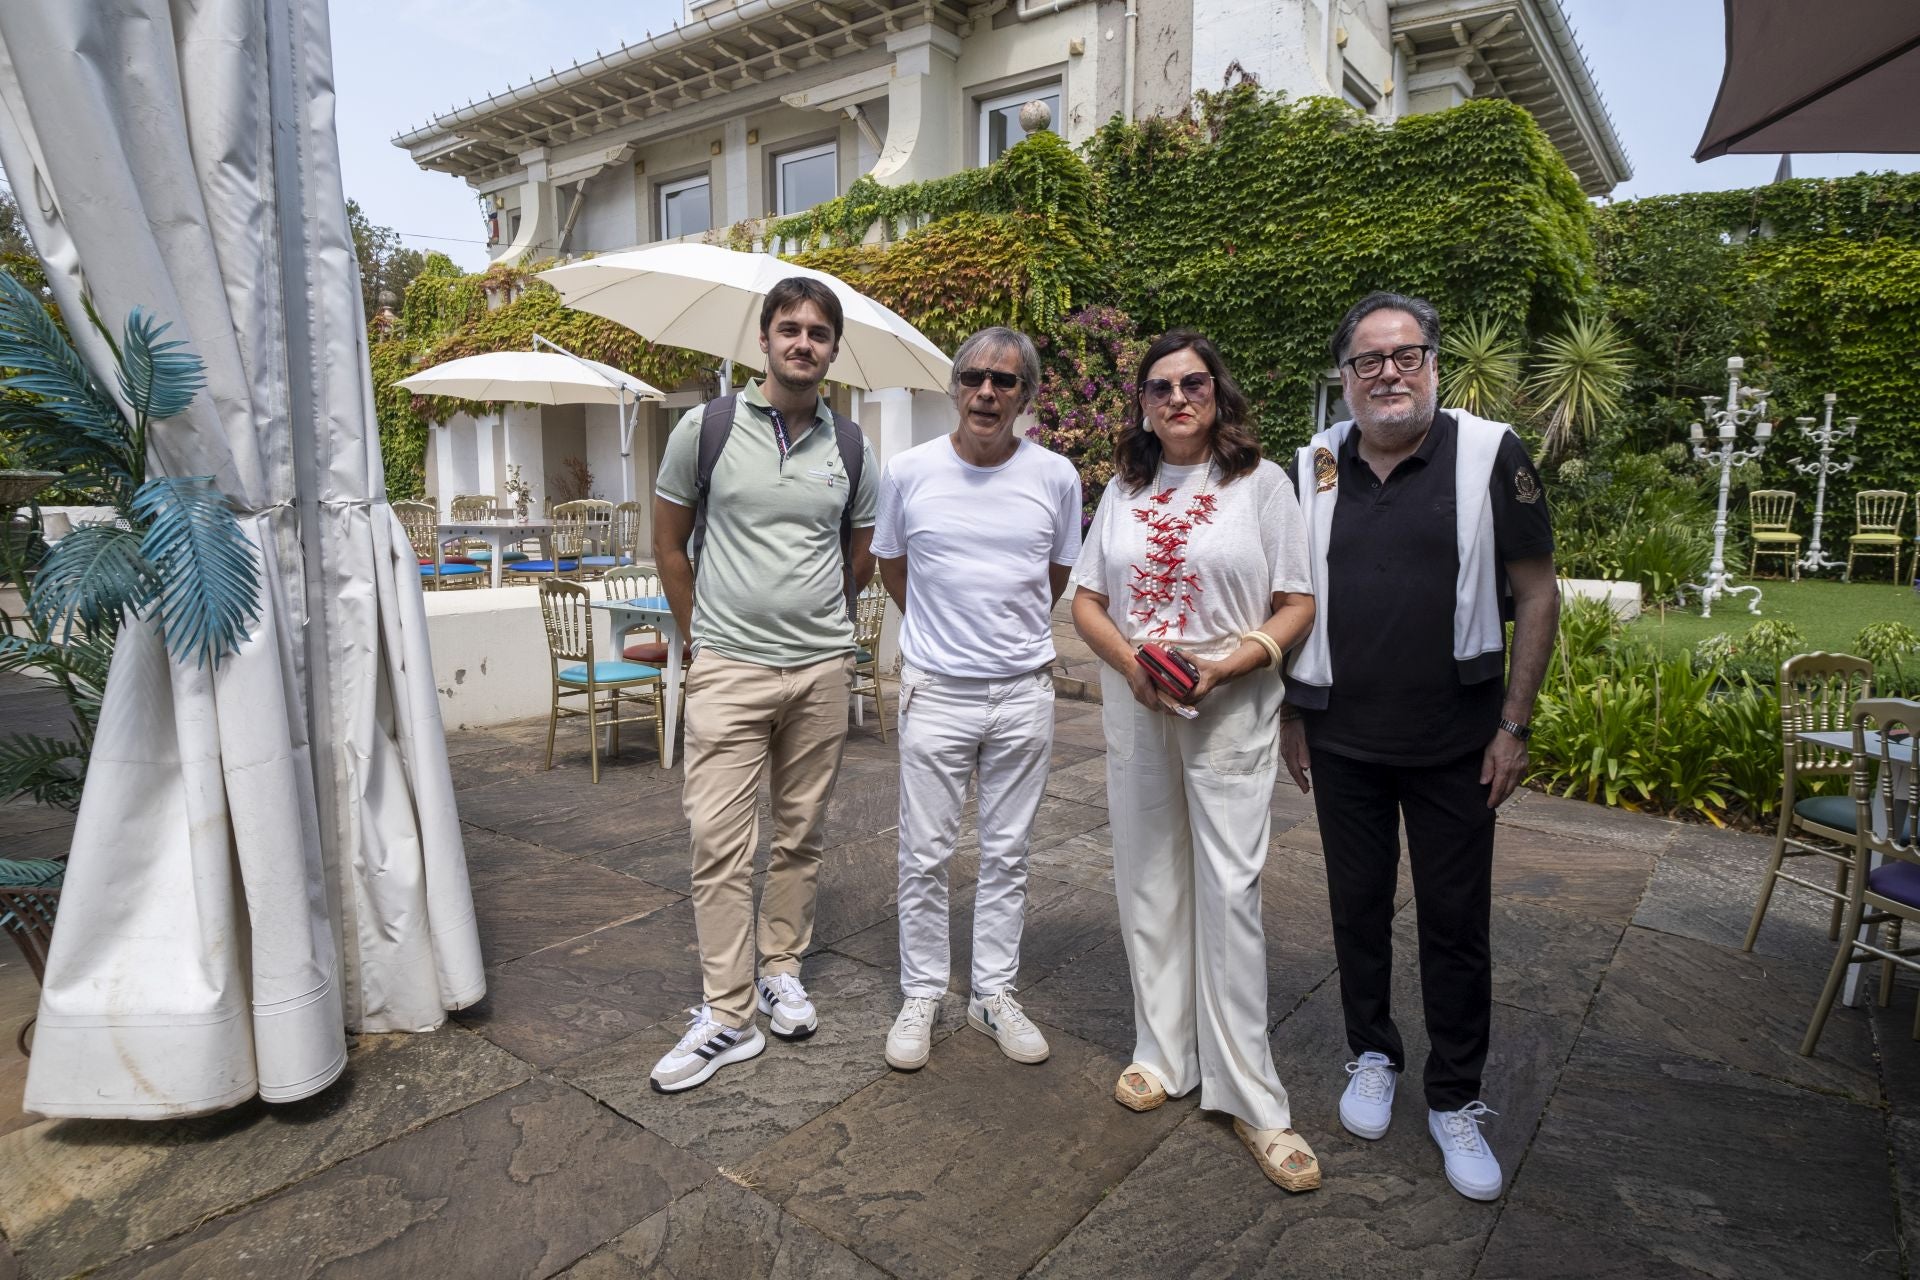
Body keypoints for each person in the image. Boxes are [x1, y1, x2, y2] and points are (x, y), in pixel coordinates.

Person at [1280, 291, 1558, 1202]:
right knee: (1356, 908)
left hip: (1456, 740)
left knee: (1453, 922)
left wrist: (1514, 725)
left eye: (1406, 357)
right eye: (1369, 362)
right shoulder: (1317, 463)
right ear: (1347, 377)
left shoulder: (1488, 454)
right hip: (1344, 737)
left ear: (1434, 363)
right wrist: (1292, 713)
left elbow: (1539, 592)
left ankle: (1455, 1096)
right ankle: (1372, 1053)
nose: (1388, 374)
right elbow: (1290, 594)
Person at [1070, 329, 1320, 1192]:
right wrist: (1135, 664)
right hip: (1140, 706)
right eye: (1160, 388)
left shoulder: (1263, 485)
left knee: (1229, 891)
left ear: (1219, 393)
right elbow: (1089, 602)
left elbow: (1297, 603)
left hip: (1231, 705)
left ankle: (1252, 1096)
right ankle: (1163, 1053)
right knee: (1147, 880)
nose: (1178, 399)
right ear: (1141, 404)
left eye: (1194, 384)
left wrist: (1232, 663)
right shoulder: (1124, 488)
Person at [647, 277, 878, 1093]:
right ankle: (728, 1012)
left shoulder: (850, 446)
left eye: (819, 332)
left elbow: (858, 559)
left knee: (800, 834)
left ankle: (781, 965)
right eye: (790, 329)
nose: (803, 343)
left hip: (818, 672)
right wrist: (698, 638)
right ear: (765, 340)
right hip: (729, 668)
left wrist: (824, 635)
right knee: (718, 840)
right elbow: (670, 544)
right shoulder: (704, 429)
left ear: (832, 348)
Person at [871, 326, 1083, 1073]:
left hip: (1022, 691)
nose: (987, 392)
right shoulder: (908, 471)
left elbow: (1053, 578)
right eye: (973, 378)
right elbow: (892, 567)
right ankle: (924, 991)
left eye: (1005, 381)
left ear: (1025, 394)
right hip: (937, 691)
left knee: (1008, 853)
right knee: (924, 853)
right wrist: (943, 632)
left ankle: (992, 993)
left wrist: (1002, 639)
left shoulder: (1057, 476)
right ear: (954, 386)